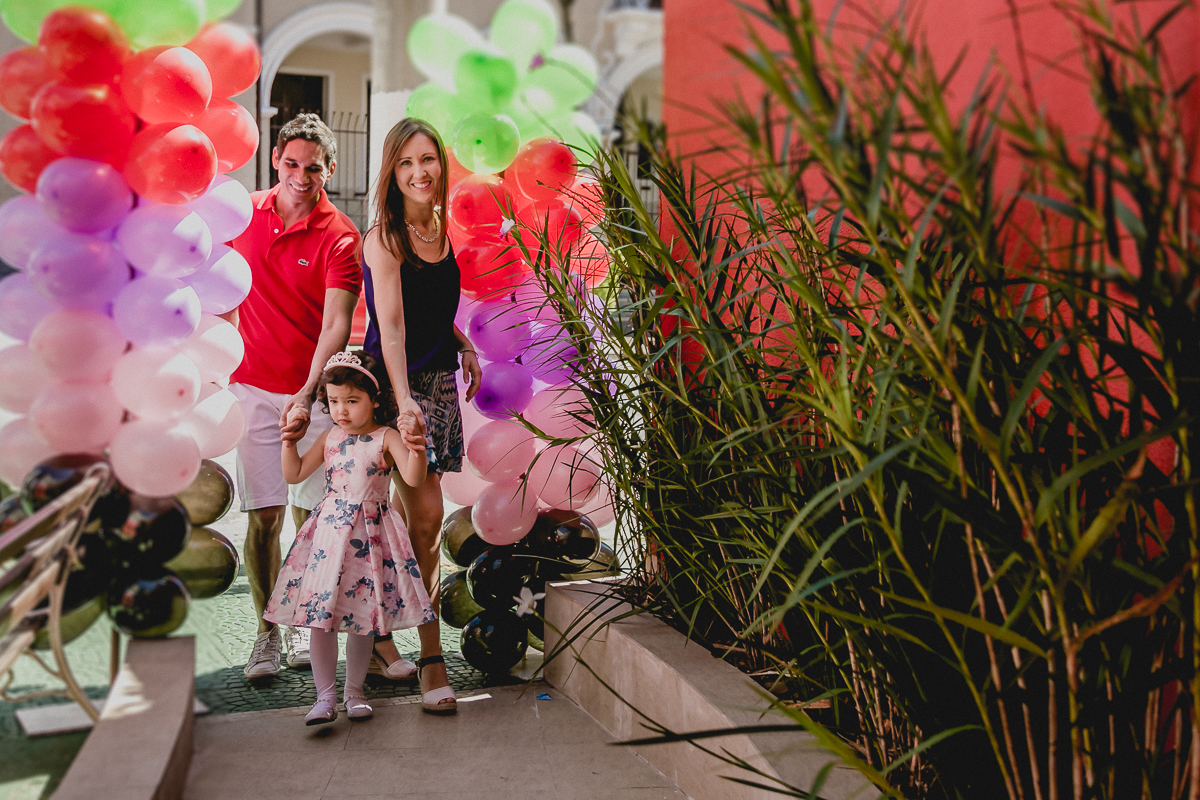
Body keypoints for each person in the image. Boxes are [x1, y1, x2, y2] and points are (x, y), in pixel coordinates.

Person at [227, 113, 363, 679]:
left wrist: (308, 395)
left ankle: (312, 626)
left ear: (329, 169)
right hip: (252, 389)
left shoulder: (342, 237)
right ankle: (266, 634)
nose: (301, 176)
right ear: (275, 162)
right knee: (265, 516)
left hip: (312, 399)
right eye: (290, 165)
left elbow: (336, 325)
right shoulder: (241, 215)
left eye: (313, 167)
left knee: (314, 521)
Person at [361, 118, 482, 714]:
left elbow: (429, 304)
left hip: (435, 380)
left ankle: (384, 633)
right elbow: (392, 325)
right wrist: (404, 403)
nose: (419, 172)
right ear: (392, 170)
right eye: (406, 162)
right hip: (389, 386)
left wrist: (460, 341)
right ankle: (430, 657)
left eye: (428, 159)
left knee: (416, 527)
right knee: (420, 515)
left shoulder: (443, 228)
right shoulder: (385, 237)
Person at [263, 351, 436, 725]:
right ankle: (324, 697)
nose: (341, 410)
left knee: (363, 618)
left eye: (352, 401)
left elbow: (414, 477)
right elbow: (293, 475)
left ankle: (354, 693)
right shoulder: (329, 437)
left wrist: (417, 447)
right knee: (319, 618)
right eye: (334, 401)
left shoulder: (386, 437)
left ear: (375, 400)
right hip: (328, 535)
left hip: (371, 537)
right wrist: (288, 442)